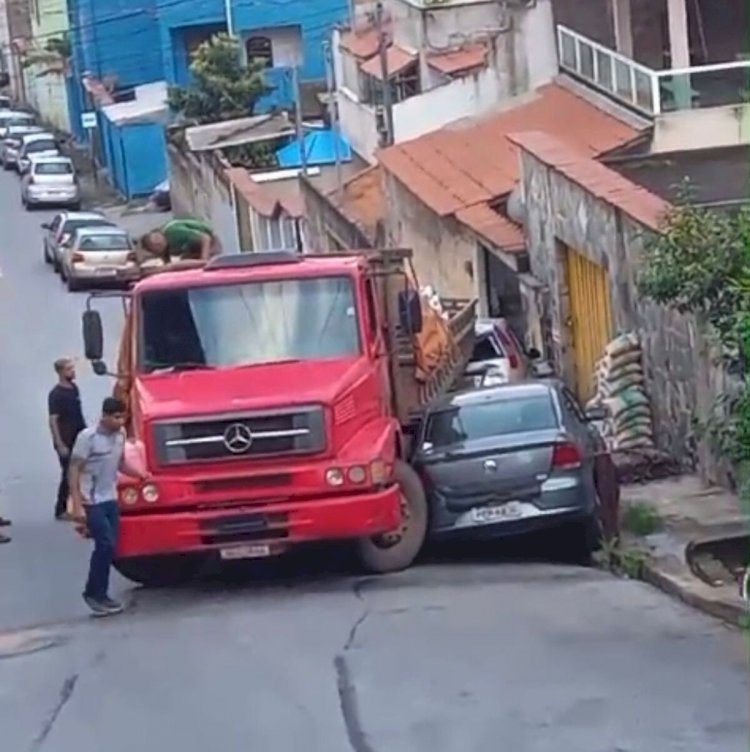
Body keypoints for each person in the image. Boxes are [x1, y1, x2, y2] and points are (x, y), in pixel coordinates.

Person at [69, 397, 146, 617]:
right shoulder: (87, 438)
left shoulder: (120, 436)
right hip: (91, 500)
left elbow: (121, 463)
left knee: (111, 547)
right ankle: (94, 593)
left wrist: (140, 475)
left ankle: (100, 593)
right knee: (104, 544)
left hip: (110, 498)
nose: (120, 421)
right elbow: (74, 470)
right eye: (116, 417)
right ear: (104, 415)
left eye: (123, 417)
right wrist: (77, 506)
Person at [48, 357, 86, 520]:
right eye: (69, 369)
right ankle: (60, 508)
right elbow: (53, 420)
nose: (73, 371)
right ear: (61, 372)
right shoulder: (56, 394)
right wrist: (59, 443)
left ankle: (80, 504)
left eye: (72, 368)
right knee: (68, 474)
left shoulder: (74, 388)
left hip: (79, 436)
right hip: (65, 438)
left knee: (83, 470)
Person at [140, 218, 220, 264]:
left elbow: (205, 237)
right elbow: (167, 261)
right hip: (194, 247)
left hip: (210, 242)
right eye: (156, 247)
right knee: (183, 260)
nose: (159, 243)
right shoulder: (165, 246)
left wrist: (204, 260)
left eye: (158, 240)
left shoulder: (172, 232)